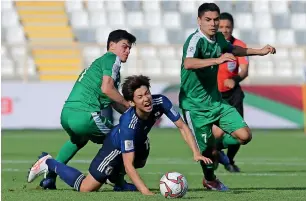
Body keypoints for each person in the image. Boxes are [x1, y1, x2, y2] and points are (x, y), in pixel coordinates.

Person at [27, 75, 212, 195]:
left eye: (146, 93)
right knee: (87, 188)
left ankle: (117, 181)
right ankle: (48, 162)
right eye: (140, 97)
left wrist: (195, 152)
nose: (146, 98)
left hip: (140, 141)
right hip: (115, 146)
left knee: (141, 158)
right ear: (131, 102)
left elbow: (182, 127)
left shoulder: (160, 101)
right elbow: (128, 164)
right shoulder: (128, 125)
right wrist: (146, 192)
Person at [179, 3, 276, 191]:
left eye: (216, 19)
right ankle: (210, 179)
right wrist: (217, 60)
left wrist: (259, 51)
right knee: (205, 152)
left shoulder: (218, 39)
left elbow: (233, 49)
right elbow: (188, 63)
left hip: (216, 102)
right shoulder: (194, 40)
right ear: (199, 21)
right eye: (208, 20)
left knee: (245, 136)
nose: (213, 23)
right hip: (194, 106)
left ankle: (214, 147)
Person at [40, 29, 137, 191]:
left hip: (67, 114)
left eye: (129, 49)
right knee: (122, 138)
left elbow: (112, 100)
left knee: (78, 140)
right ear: (112, 45)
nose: (127, 51)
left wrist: (131, 113)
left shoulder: (100, 65)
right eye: (124, 46)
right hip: (85, 115)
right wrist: (129, 105)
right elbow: (107, 89)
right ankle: (118, 183)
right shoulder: (112, 59)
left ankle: (49, 178)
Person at [212, 12, 250, 173]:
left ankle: (229, 159)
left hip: (233, 94)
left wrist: (235, 80)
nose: (225, 30)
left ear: (232, 28)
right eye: (221, 27)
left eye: (228, 27)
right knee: (218, 132)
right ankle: (215, 153)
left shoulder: (238, 45)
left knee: (240, 133)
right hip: (215, 95)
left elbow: (245, 70)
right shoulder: (211, 44)